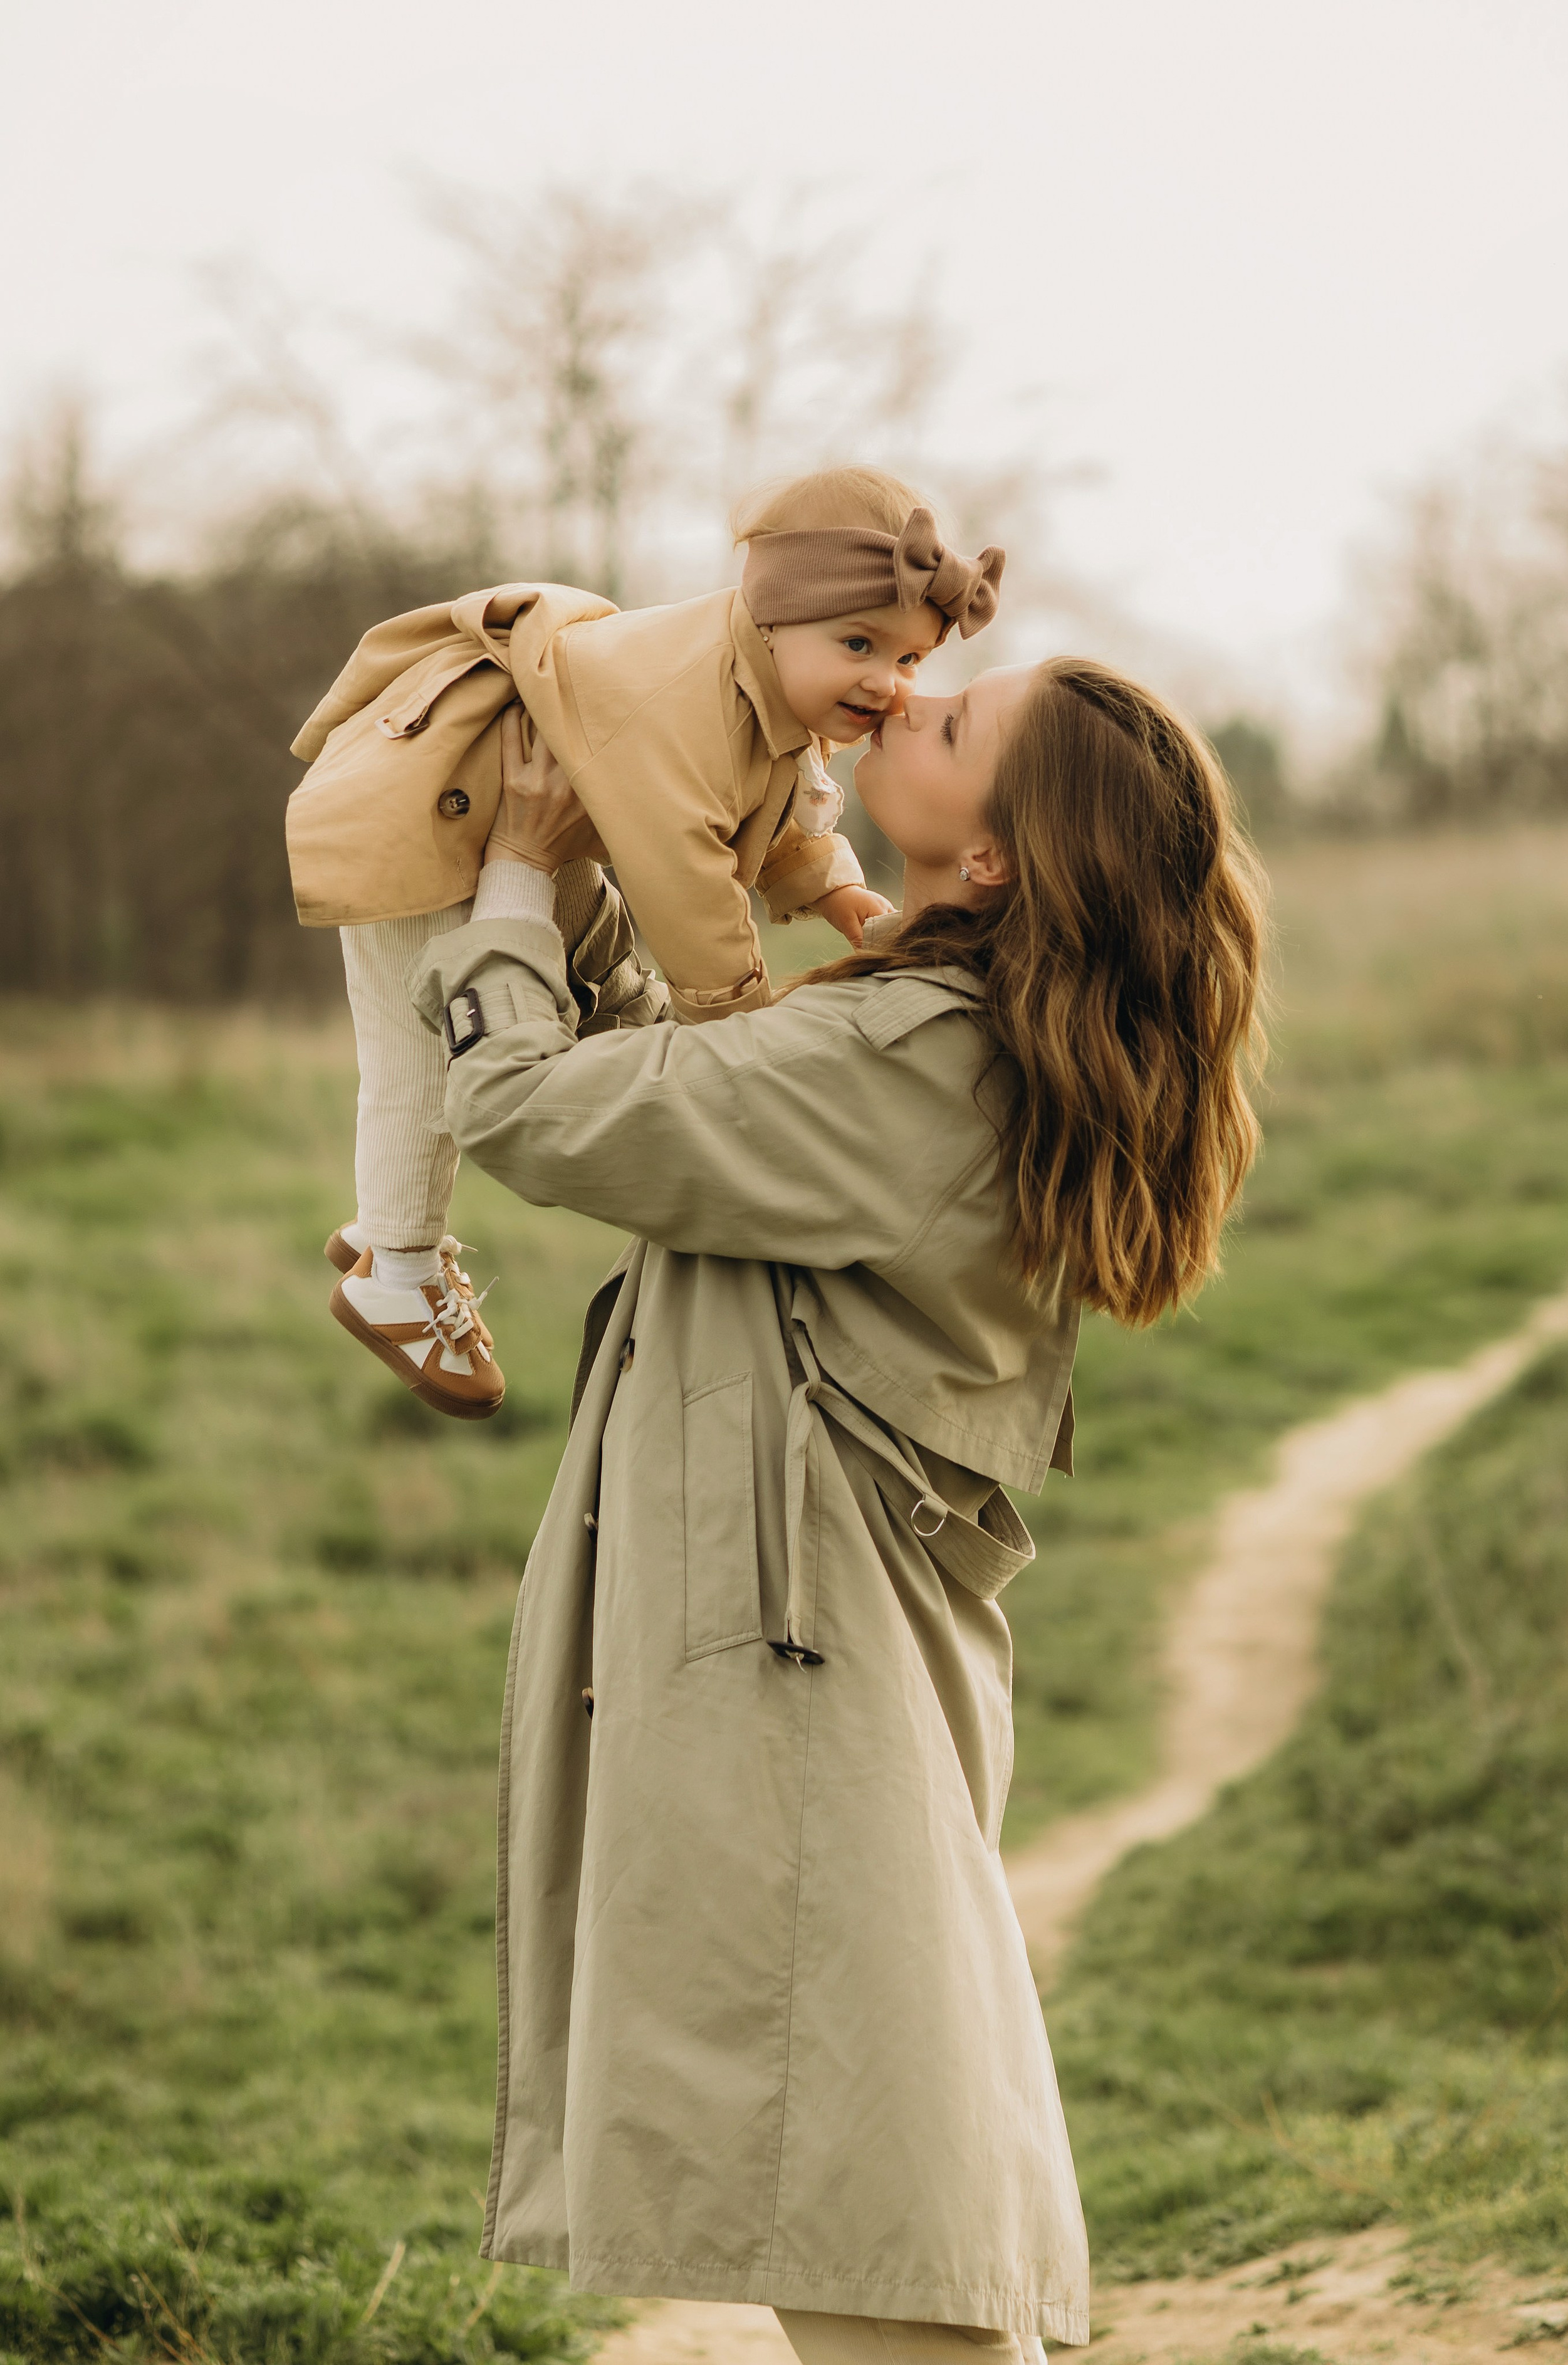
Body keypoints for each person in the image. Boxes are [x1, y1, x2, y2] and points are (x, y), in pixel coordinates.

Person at [407, 652, 1267, 2361]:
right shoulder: (931, 1036)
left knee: (881, 2214)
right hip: (821, 1654)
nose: (906, 706)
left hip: (800, 1684)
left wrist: (516, 869)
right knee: (878, 2184)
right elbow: (686, 1100)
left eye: (952, 725)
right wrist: (613, 842)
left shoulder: (916, 1056)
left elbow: (529, 1106)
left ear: (1003, 859)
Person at [285, 468, 1004, 1419]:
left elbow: (772, 804)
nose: (889, 685)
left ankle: (390, 1231)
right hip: (428, 801)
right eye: (861, 644)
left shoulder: (773, 691)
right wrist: (735, 1020)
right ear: (775, 617)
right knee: (418, 1062)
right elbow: (683, 876)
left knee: (559, 990)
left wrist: (829, 887)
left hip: (509, 807)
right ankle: (400, 1265)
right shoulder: (688, 701)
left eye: (910, 660)